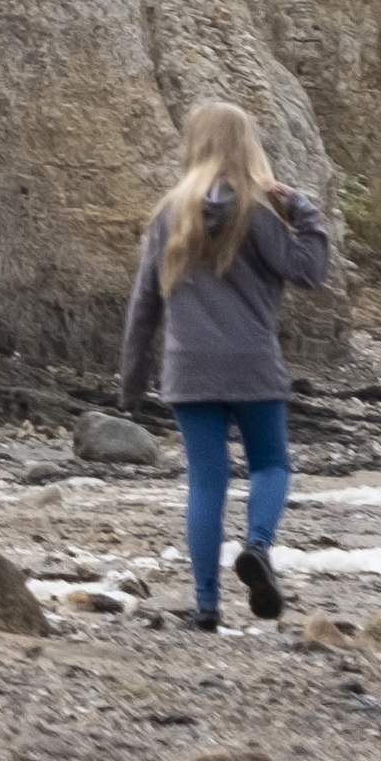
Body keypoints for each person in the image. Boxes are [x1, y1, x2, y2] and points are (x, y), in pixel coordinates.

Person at [119, 100, 331, 626]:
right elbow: (309, 271)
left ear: (194, 144)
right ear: (248, 145)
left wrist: (131, 385)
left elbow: (143, 305)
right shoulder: (260, 212)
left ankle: (207, 607)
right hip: (253, 365)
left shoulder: (170, 213)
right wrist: (303, 211)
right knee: (272, 464)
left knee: (205, 483)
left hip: (188, 369)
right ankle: (257, 546)